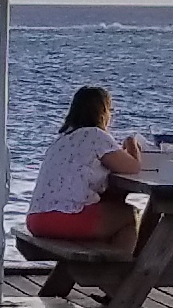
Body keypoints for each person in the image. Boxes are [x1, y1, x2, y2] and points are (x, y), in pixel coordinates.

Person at [20, 85, 150, 254]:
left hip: (36, 220)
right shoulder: (96, 135)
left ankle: (103, 265)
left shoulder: (62, 139)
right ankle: (118, 267)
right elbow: (133, 167)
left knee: (110, 209)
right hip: (66, 218)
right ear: (103, 112)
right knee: (129, 215)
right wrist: (131, 142)